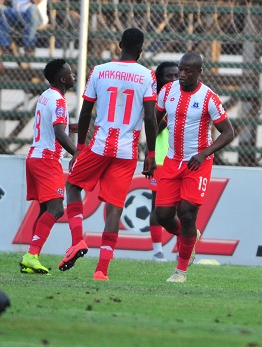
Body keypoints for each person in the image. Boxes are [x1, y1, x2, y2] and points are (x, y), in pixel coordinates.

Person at [65, 28, 158, 281]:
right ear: (141, 49)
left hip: (98, 145)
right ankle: (101, 271)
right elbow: (150, 118)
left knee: (72, 186)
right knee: (115, 207)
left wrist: (80, 148)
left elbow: (85, 113)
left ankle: (77, 241)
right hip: (127, 151)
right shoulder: (147, 75)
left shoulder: (99, 71)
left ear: (119, 45)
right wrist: (151, 153)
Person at [154, 52, 234, 283]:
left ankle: (180, 271)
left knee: (187, 213)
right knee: (163, 216)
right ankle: (189, 237)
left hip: (197, 162)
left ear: (199, 72)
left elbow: (228, 132)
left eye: (188, 71)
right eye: (181, 69)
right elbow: (155, 120)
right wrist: (150, 153)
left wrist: (204, 153)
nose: (182, 74)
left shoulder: (208, 97)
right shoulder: (167, 92)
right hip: (171, 160)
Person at [19, 59, 82, 274]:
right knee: (56, 209)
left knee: (46, 209)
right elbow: (58, 133)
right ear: (63, 79)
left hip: (35, 156)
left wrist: (74, 127)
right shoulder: (59, 101)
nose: (74, 76)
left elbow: (55, 126)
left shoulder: (46, 96)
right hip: (47, 159)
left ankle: (31, 256)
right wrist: (77, 153)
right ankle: (31, 255)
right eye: (71, 73)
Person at [149, 61, 179, 261]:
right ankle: (157, 251)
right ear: (160, 80)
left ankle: (181, 250)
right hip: (160, 161)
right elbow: (153, 128)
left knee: (183, 207)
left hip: (180, 160)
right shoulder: (156, 101)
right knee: (157, 207)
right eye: (169, 76)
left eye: (176, 75)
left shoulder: (183, 97)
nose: (174, 80)